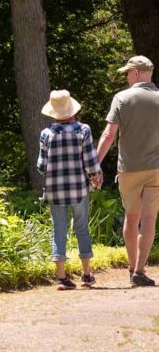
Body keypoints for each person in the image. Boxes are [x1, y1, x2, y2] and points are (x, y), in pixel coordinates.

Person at [97, 55, 159, 287]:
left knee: (131, 217)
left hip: (129, 169)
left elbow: (108, 135)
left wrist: (95, 165)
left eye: (127, 73)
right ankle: (140, 271)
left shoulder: (122, 98)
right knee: (150, 217)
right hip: (156, 168)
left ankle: (132, 267)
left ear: (135, 73)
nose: (126, 77)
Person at [37, 89, 103, 290]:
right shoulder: (83, 130)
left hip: (55, 191)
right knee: (82, 229)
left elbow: (41, 167)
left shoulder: (46, 134)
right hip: (78, 189)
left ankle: (61, 277)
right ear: (72, 109)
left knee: (59, 229)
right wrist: (96, 177)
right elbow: (91, 162)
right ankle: (86, 274)